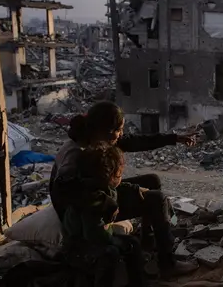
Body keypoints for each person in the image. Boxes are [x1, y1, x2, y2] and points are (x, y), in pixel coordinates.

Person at [50, 101, 197, 278]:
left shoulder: (97, 138)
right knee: (158, 199)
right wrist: (112, 202)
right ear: (106, 130)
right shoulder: (77, 154)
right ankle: (167, 264)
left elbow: (136, 142)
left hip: (96, 193)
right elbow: (66, 192)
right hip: (85, 209)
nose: (121, 135)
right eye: (119, 129)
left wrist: (173, 138)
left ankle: (148, 242)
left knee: (152, 180)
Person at [62, 143, 146, 287]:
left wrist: (135, 189)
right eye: (119, 174)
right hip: (78, 248)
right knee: (110, 253)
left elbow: (117, 189)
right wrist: (115, 241)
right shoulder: (92, 200)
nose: (121, 178)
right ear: (111, 176)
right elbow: (93, 234)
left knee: (132, 243)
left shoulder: (100, 189)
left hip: (93, 240)